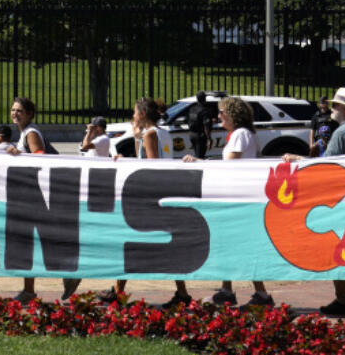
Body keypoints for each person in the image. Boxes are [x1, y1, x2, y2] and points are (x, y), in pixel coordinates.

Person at [285, 88, 345, 317]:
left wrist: (299, 159)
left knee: (336, 248)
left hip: (341, 197)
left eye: (336, 105)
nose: (332, 108)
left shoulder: (342, 133)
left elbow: (329, 165)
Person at [184, 97, 273, 309]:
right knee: (230, 245)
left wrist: (201, 163)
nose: (218, 117)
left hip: (238, 199)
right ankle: (229, 290)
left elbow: (231, 165)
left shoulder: (241, 135)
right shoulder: (244, 134)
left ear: (233, 115)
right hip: (238, 196)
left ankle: (259, 294)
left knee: (239, 246)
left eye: (222, 113)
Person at [101, 97, 190, 308]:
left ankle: (118, 292)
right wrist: (135, 138)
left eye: (134, 113)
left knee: (130, 242)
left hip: (150, 196)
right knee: (149, 244)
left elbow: (150, 164)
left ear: (141, 114)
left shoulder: (150, 135)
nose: (132, 116)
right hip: (163, 193)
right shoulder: (163, 133)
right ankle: (181, 292)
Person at [3, 97, 79, 301]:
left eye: (19, 110)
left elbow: (40, 156)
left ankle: (69, 273)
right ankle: (31, 288)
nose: (15, 113)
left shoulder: (31, 133)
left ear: (29, 114)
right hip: (31, 195)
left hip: (39, 196)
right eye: (13, 110)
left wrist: (19, 154)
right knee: (32, 242)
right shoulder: (24, 133)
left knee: (37, 241)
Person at [185, 92, 217, 159]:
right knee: (200, 157)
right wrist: (209, 139)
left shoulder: (192, 109)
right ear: (205, 99)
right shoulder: (205, 110)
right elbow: (206, 126)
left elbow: (187, 120)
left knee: (197, 154)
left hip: (192, 134)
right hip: (200, 136)